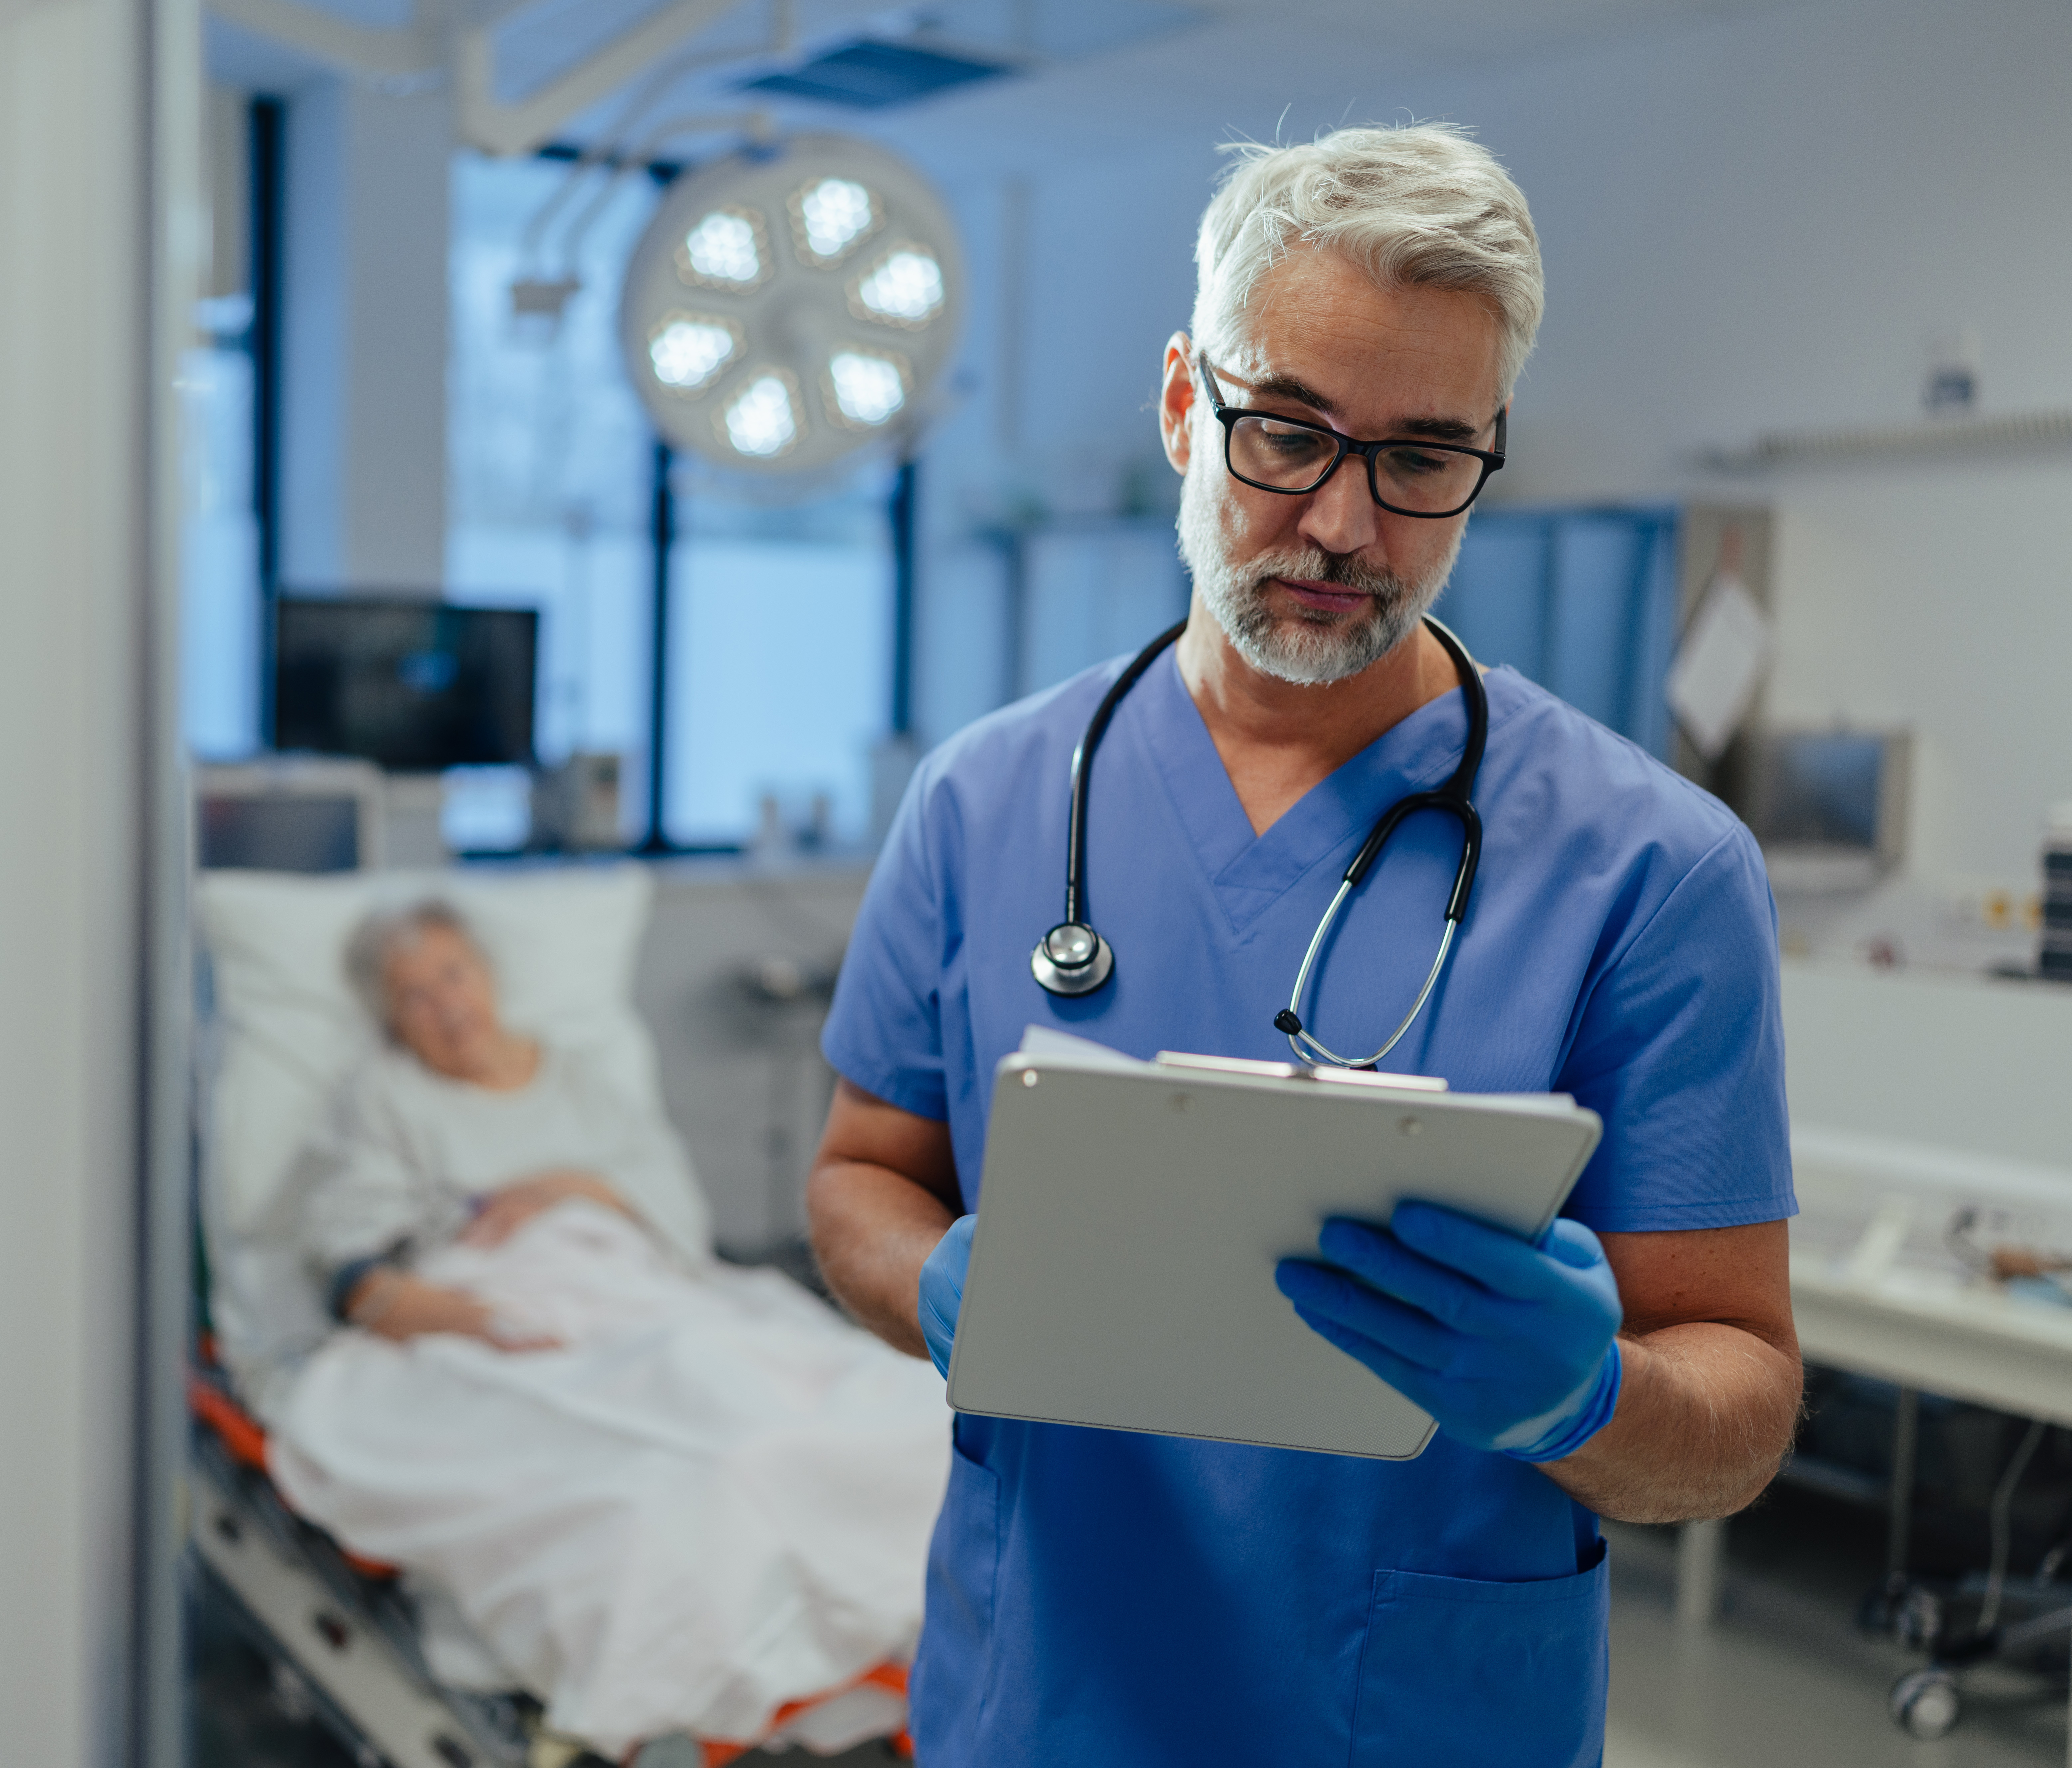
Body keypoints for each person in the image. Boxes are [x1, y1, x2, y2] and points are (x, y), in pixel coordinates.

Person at [808, 123, 1799, 1766]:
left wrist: (1592, 1398)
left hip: (1414, 1710)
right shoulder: (987, 799)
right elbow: (859, 1171)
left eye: (1422, 458)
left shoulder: (1655, 870)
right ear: (1188, 402)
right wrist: (932, 1280)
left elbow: (1740, 1408)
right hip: (1040, 1692)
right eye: (1287, 432)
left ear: (1490, 454)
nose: (1343, 522)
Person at [264, 900, 951, 1757]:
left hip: (636, 1284)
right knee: (685, 1417)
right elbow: (352, 1255)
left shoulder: (579, 1077)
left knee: (781, 1370)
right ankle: (766, 1522)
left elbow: (671, 1218)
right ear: (391, 1018)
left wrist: (566, 1189)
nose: (444, 1005)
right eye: (413, 995)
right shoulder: (385, 1094)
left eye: (451, 975)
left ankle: (826, 1520)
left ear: (487, 976)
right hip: (492, 1299)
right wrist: (468, 1318)